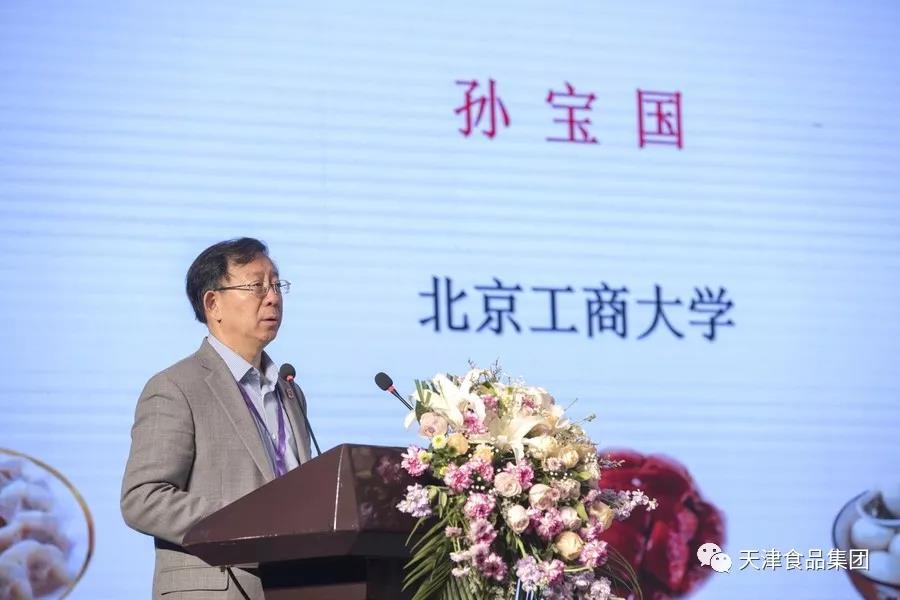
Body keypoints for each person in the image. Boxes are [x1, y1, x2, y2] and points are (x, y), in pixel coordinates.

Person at [121, 237, 310, 599]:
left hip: (293, 586)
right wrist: (243, 523)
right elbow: (142, 498)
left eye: (276, 285)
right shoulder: (176, 387)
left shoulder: (290, 391)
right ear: (213, 304)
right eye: (257, 286)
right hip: (217, 588)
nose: (273, 297)